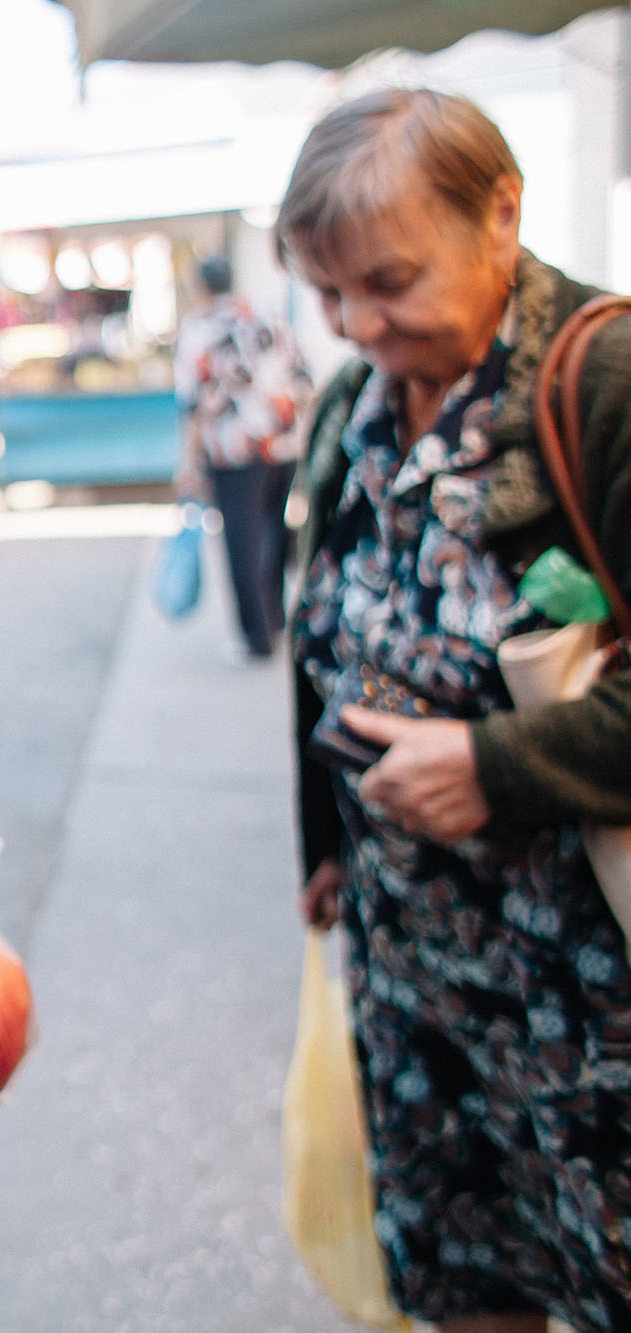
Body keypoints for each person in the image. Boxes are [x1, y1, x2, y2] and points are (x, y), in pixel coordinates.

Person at [284, 89, 631, 1333]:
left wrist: (497, 763)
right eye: (330, 297)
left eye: (386, 282)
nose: (360, 328)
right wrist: (324, 841)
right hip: (414, 966)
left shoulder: (604, 376)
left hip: (587, 979)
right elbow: (318, 633)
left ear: (500, 216)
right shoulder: (354, 402)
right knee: (459, 1269)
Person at [174, 253, 311, 661]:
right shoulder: (269, 317)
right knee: (272, 532)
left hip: (234, 451)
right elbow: (302, 377)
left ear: (201, 286)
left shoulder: (200, 329)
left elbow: (193, 402)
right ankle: (275, 621)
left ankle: (256, 636)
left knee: (243, 545)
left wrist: (188, 462)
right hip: (281, 445)